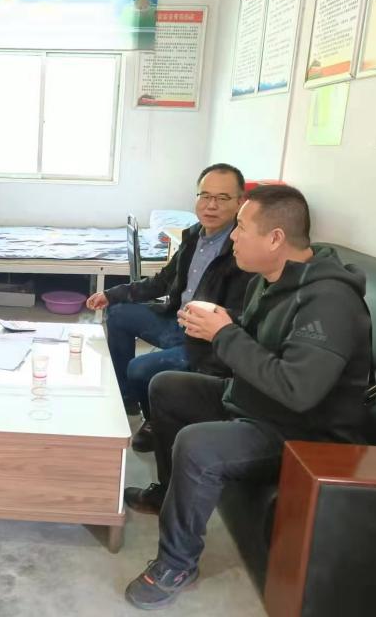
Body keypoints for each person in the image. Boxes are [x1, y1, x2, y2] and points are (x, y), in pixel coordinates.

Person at [123, 185, 374, 611]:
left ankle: (177, 563)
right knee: (167, 385)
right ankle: (167, 493)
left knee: (198, 443)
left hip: (305, 433)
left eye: (241, 227)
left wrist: (225, 333)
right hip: (259, 402)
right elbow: (261, 337)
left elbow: (298, 391)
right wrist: (222, 323)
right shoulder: (272, 280)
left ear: (275, 238)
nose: (233, 236)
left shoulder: (329, 302)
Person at [86, 164, 252, 451]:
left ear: (240, 202)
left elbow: (245, 315)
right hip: (176, 321)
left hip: (205, 341)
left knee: (139, 368)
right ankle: (127, 398)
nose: (211, 205)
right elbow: (163, 281)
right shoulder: (193, 236)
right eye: (205, 196)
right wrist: (112, 294)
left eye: (222, 198)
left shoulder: (242, 251)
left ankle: (156, 420)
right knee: (118, 313)